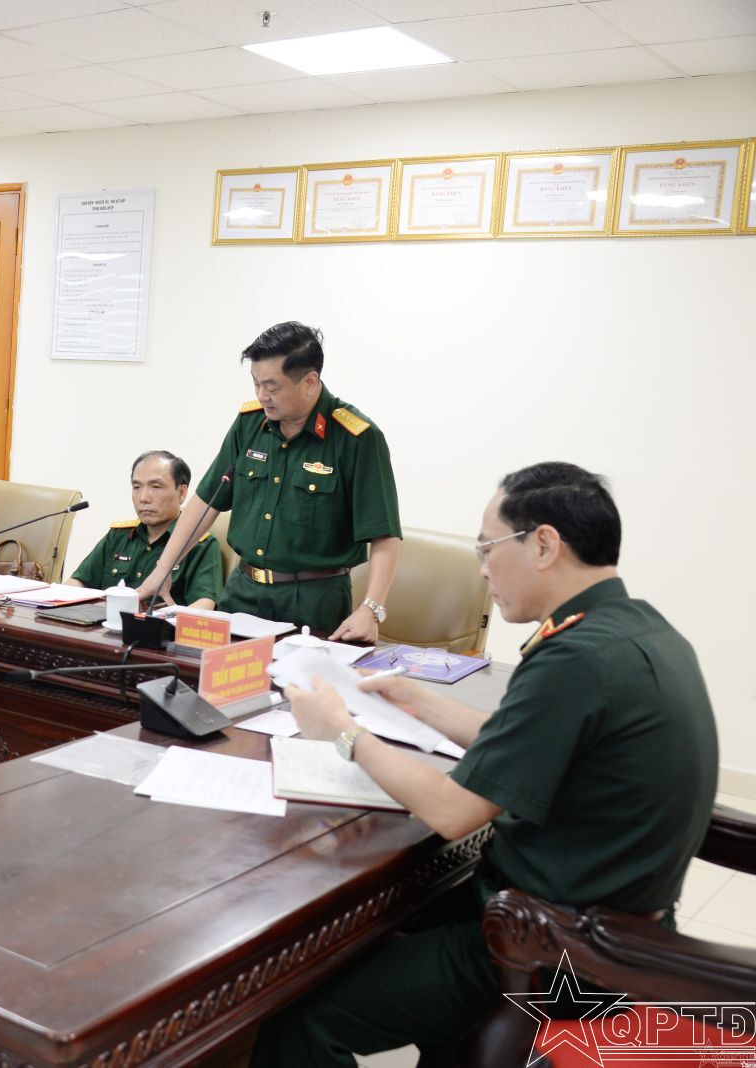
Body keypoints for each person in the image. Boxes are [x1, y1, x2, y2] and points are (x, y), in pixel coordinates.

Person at [249, 462, 719, 1068]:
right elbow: (531, 740)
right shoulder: (639, 631)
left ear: (544, 545)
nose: (483, 569)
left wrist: (343, 733)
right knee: (372, 930)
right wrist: (417, 700)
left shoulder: (574, 659)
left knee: (299, 1014)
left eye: (488, 548)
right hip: (620, 925)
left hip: (555, 949)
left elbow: (452, 812)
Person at [135, 323, 400, 640]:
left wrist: (371, 609)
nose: (262, 396)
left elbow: (384, 534)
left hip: (315, 599)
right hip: (243, 591)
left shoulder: (356, 438)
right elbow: (207, 501)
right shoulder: (250, 424)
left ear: (309, 382)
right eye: (256, 384)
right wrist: (163, 569)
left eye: (272, 387)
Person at [68, 450, 224, 609]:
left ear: (182, 493)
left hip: (161, 623)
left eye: (156, 487)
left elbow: (205, 604)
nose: (143, 498)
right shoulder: (119, 535)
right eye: (136, 487)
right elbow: (78, 581)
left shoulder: (200, 544)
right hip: (106, 622)